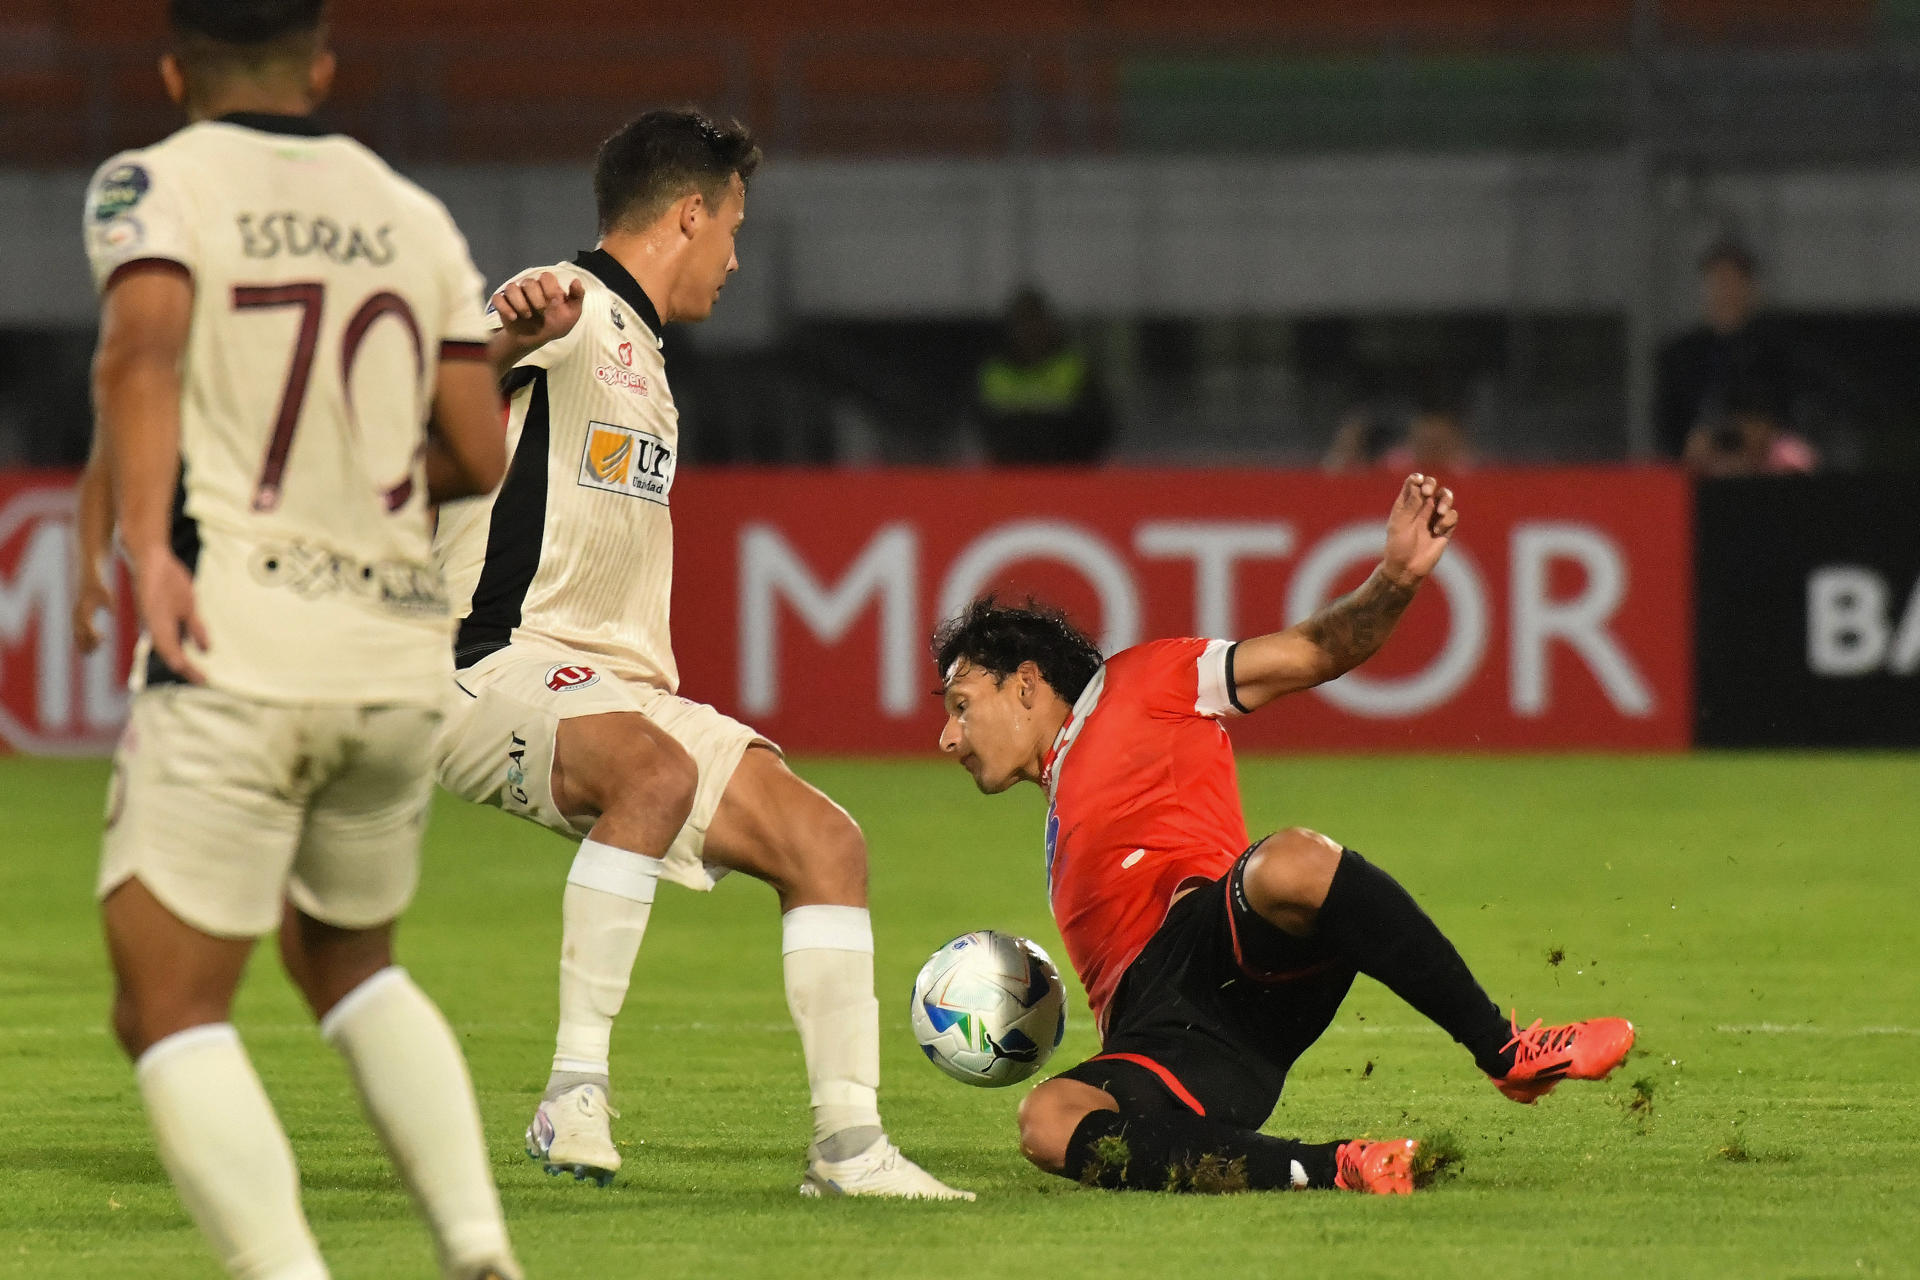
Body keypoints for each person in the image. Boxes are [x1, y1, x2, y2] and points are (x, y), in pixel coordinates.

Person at [431, 110, 968, 1199]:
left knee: (827, 840)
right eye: (732, 227)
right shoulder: (569, 301)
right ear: (691, 212)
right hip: (492, 659)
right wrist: (499, 339)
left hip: (614, 685)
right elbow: (442, 384)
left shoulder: (645, 354)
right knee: (654, 770)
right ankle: (571, 1088)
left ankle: (848, 1148)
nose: (733, 255)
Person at [84, 1, 520, 1276]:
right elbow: (479, 451)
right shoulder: (412, 212)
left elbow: (142, 351)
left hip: (241, 638)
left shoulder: (151, 184)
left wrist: (153, 544)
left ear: (174, 69)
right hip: (391, 653)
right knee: (350, 960)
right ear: (322, 65)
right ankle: (479, 1244)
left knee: (165, 1002)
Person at [930, 475, 1635, 1195]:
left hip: (1225, 947)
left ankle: (1506, 1050)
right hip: (1167, 1048)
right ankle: (1339, 1166)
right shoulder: (1059, 809)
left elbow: (1312, 652)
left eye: (961, 704)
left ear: (1024, 683)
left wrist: (1393, 579)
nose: (948, 737)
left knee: (1292, 861)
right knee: (1046, 1120)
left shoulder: (1141, 682)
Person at [1656, 238, 1799, 461]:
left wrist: (1756, 433)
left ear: (1750, 288)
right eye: (1718, 282)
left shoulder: (1778, 350)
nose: (1726, 292)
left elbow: (1789, 412)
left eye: (1734, 281)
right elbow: (1668, 429)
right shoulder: (1679, 355)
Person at [974, 287, 1113, 464]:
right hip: (1008, 477)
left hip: (1066, 474)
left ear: (1049, 323)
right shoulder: (994, 372)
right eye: (1023, 323)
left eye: (1036, 321)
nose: (1031, 330)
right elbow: (980, 429)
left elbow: (1100, 426)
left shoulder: (1073, 367)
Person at [1682, 380, 1818, 477]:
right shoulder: (1724, 448)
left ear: (1770, 425)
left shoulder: (1792, 456)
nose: (1753, 433)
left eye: (1757, 425)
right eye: (1746, 425)